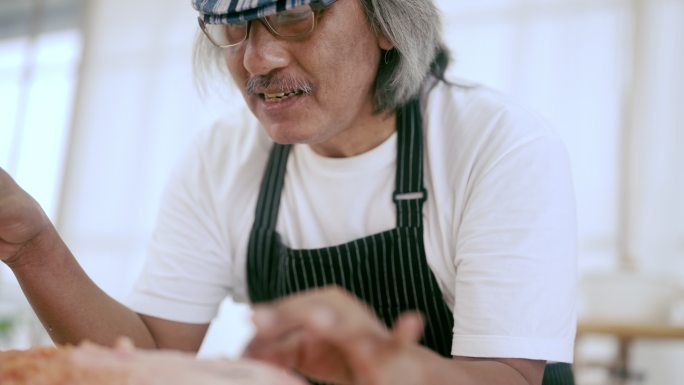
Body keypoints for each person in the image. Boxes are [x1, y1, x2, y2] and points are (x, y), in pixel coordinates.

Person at [0, 0, 577, 384]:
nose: (258, 58)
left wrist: (390, 365)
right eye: (235, 27)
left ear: (385, 22)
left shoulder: (495, 142)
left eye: (297, 15)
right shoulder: (222, 158)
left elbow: (510, 376)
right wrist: (31, 244)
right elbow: (149, 359)